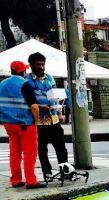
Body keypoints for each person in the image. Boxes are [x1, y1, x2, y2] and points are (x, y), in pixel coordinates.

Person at [0, 61, 45, 189]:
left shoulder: (2, 84)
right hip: (25, 124)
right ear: (23, 72)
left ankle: (15, 180)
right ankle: (31, 181)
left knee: (14, 152)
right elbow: (34, 107)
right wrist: (36, 121)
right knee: (29, 153)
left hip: (8, 124)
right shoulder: (24, 84)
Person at [26, 52, 69, 180]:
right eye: (38, 64)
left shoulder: (50, 78)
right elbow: (28, 101)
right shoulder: (27, 81)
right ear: (31, 65)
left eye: (43, 64)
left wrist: (60, 113)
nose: (41, 67)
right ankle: (47, 172)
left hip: (54, 119)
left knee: (61, 147)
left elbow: (55, 96)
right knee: (42, 150)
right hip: (39, 122)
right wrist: (41, 107)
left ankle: (65, 170)